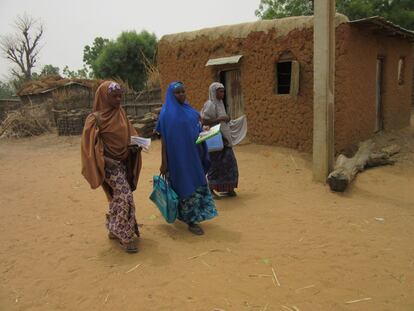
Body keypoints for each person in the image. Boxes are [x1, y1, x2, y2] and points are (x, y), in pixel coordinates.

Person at [81, 81, 142, 253]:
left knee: (117, 196)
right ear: (104, 97)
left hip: (123, 162)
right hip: (107, 166)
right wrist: (106, 160)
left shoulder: (121, 113)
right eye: (114, 96)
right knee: (124, 195)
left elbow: (131, 134)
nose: (118, 99)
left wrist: (135, 145)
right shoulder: (95, 119)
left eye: (119, 96)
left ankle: (114, 229)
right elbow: (89, 148)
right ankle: (125, 236)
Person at [156, 81, 218, 235]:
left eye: (183, 91)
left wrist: (205, 131)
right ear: (171, 94)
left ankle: (192, 217)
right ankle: (191, 221)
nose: (181, 94)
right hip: (178, 159)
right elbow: (164, 140)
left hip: (194, 156)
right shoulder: (166, 115)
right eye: (177, 92)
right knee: (184, 186)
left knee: (196, 183)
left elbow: (197, 128)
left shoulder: (190, 111)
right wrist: (164, 162)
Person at [201, 82, 239, 198]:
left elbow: (223, 120)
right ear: (213, 92)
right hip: (216, 139)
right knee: (215, 165)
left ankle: (228, 188)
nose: (222, 93)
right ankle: (211, 189)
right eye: (220, 91)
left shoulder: (220, 103)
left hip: (224, 139)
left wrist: (226, 118)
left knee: (229, 164)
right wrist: (220, 119)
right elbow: (204, 122)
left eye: (223, 91)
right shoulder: (210, 105)